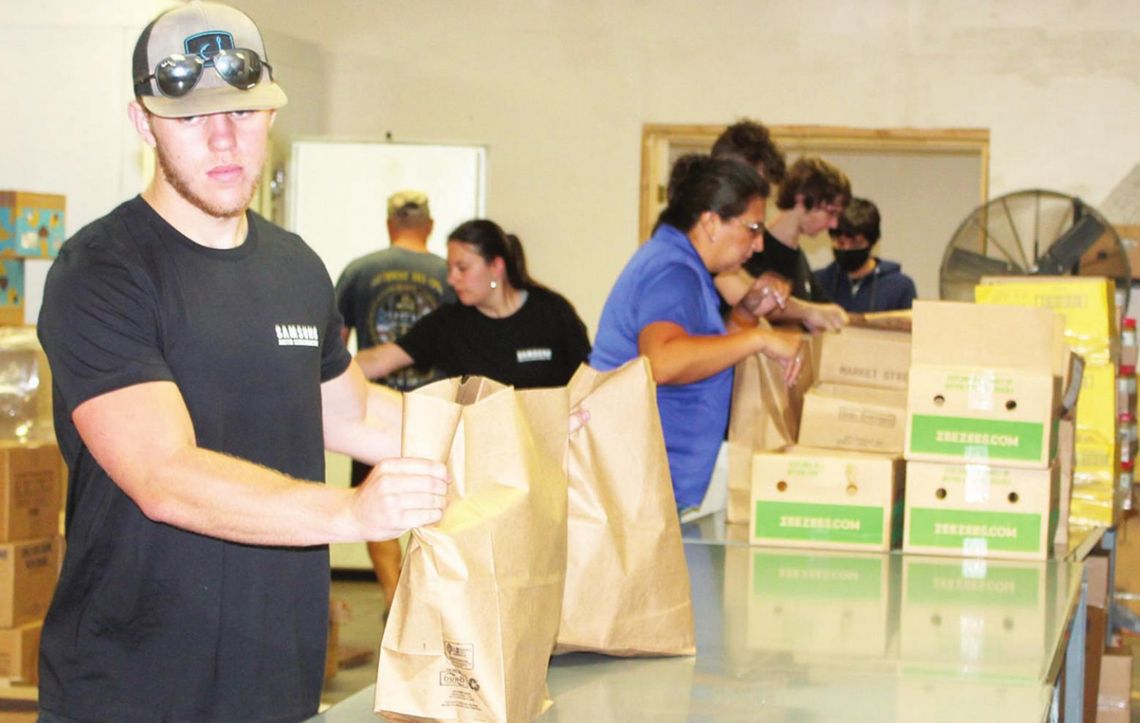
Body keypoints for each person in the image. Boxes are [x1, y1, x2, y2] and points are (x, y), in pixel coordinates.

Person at [34, 3, 449, 721]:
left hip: (276, 686)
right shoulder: (102, 272)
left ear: (270, 115)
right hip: (132, 692)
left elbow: (353, 413)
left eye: (244, 112)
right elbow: (164, 476)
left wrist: (515, 425)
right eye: (191, 118)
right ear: (144, 122)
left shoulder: (294, 267)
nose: (223, 139)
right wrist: (352, 511)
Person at [590, 154, 802, 512]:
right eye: (752, 229)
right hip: (634, 491)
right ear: (711, 222)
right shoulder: (673, 272)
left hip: (646, 486)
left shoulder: (682, 264)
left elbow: (702, 353)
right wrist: (758, 338)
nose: (759, 245)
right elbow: (661, 362)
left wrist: (747, 314)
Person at [334, 189, 455, 612]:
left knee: (375, 502)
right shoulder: (449, 275)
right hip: (434, 412)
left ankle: (392, 593)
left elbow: (336, 349)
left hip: (368, 416)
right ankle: (426, 602)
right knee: (439, 507)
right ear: (430, 226)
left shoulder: (358, 272)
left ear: (390, 225)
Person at [355, 219, 591, 389]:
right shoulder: (447, 324)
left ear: (496, 267)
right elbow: (380, 360)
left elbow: (589, 380)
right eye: (450, 269)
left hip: (547, 453)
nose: (451, 279)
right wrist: (327, 369)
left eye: (462, 268)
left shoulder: (552, 313)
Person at [711, 146, 853, 332]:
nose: (834, 224)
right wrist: (807, 312)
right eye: (831, 212)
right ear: (802, 199)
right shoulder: (751, 252)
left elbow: (829, 311)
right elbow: (751, 302)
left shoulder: (799, 258)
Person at [814, 197, 918, 313]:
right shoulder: (817, 281)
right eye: (840, 243)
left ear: (872, 242)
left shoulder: (900, 287)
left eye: (856, 243)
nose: (847, 248)